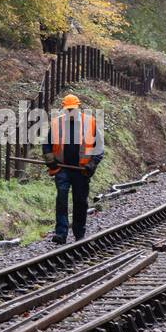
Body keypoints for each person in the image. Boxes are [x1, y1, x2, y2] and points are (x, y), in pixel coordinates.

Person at [42, 93, 103, 243]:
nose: (70, 112)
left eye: (73, 109)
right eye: (68, 109)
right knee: (61, 199)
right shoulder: (57, 123)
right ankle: (61, 233)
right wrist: (50, 159)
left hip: (81, 171)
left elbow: (99, 148)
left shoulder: (90, 123)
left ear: (78, 107)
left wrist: (92, 163)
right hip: (62, 169)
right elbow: (47, 144)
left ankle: (79, 232)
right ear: (63, 108)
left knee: (80, 201)